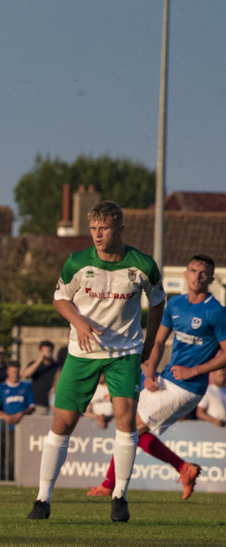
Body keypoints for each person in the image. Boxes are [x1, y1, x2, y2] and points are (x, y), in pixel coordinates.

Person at [28, 201, 165, 522]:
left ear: (119, 227)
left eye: (103, 228)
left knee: (125, 421)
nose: (97, 235)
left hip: (124, 353)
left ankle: (119, 497)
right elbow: (60, 298)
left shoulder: (142, 264)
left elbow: (158, 302)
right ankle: (42, 499)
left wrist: (150, 343)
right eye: (92, 229)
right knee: (61, 424)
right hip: (82, 353)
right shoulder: (77, 262)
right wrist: (78, 322)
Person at [86, 254, 226, 500]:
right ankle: (184, 468)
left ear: (211, 278)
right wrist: (150, 368)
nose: (197, 276)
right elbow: (159, 340)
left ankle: (110, 484)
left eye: (203, 273)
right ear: (185, 274)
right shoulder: (175, 304)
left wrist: (194, 370)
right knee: (128, 425)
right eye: (193, 270)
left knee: (130, 427)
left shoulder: (216, 311)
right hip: (166, 377)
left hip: (189, 387)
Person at [22, 340, 60, 415]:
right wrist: (40, 360)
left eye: (48, 351)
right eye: (44, 351)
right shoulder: (34, 364)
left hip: (53, 405)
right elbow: (25, 375)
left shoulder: (56, 366)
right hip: (38, 404)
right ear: (40, 351)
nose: (46, 353)